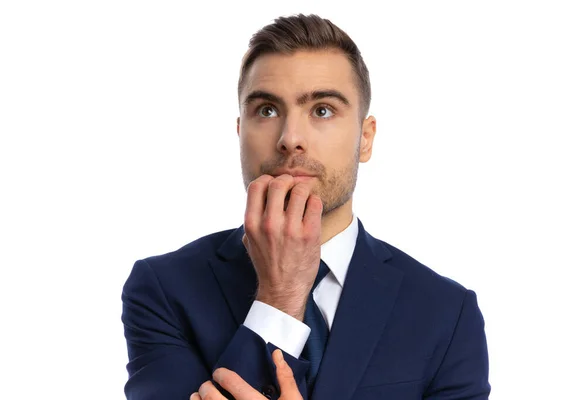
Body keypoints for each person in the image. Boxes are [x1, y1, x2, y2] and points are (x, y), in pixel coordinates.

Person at [121, 13, 491, 400]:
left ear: (365, 139)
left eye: (322, 110)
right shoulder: (163, 288)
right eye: (266, 110)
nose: (290, 138)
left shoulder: (446, 313)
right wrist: (279, 297)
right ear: (240, 132)